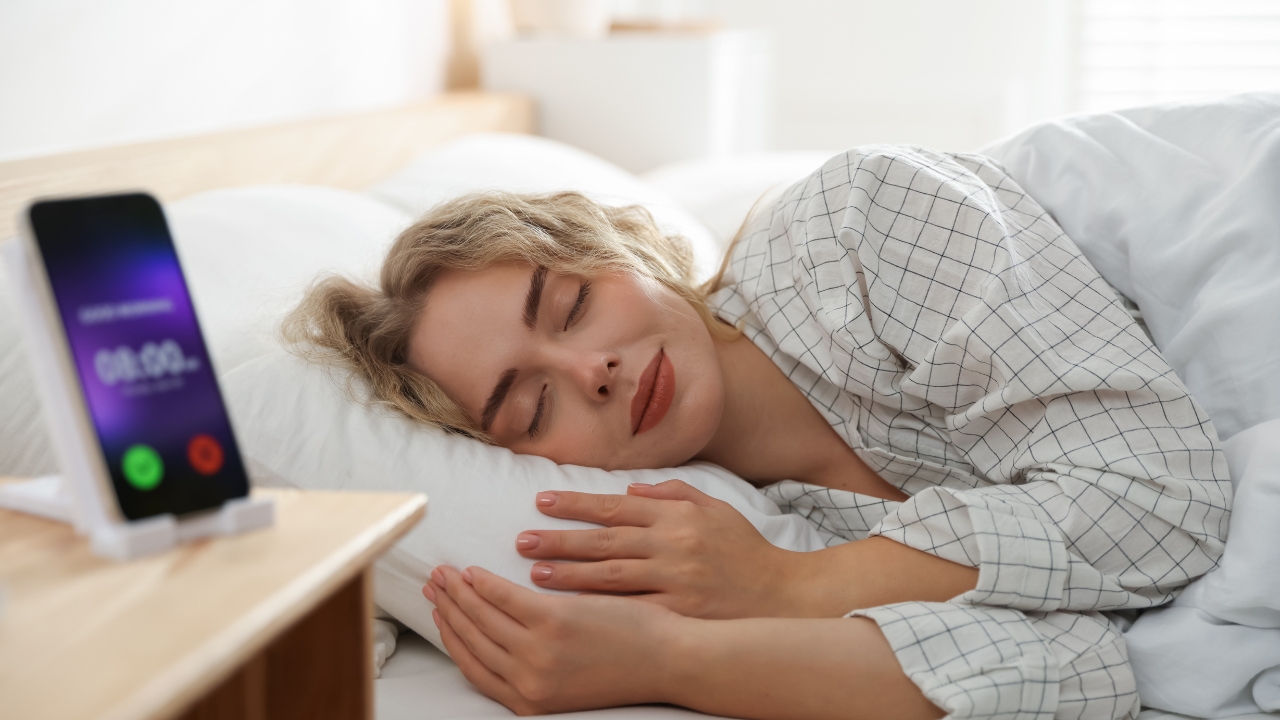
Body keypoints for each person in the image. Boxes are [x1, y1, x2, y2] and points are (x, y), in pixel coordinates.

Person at [287, 147, 1231, 720]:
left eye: (571, 306)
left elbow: (1164, 504)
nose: (592, 372)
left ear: (621, 249)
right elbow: (1084, 676)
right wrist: (672, 657)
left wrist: (793, 588)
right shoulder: (744, 522)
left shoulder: (861, 219)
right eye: (533, 407)